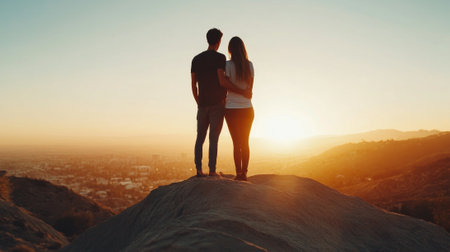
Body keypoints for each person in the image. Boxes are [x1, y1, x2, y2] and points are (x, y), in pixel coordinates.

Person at [190, 28, 249, 177]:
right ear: (218, 41)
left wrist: (199, 101)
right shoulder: (220, 58)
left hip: (202, 104)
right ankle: (212, 171)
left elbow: (193, 84)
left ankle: (198, 170)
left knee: (200, 137)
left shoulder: (196, 59)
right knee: (213, 139)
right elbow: (222, 81)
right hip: (217, 104)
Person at [221, 37, 254, 181]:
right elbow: (250, 90)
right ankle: (244, 173)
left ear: (230, 49)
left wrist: (238, 91)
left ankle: (239, 173)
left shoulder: (227, 65)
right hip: (247, 108)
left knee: (236, 143)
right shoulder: (250, 65)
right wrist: (243, 92)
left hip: (231, 108)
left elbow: (225, 85)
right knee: (245, 142)